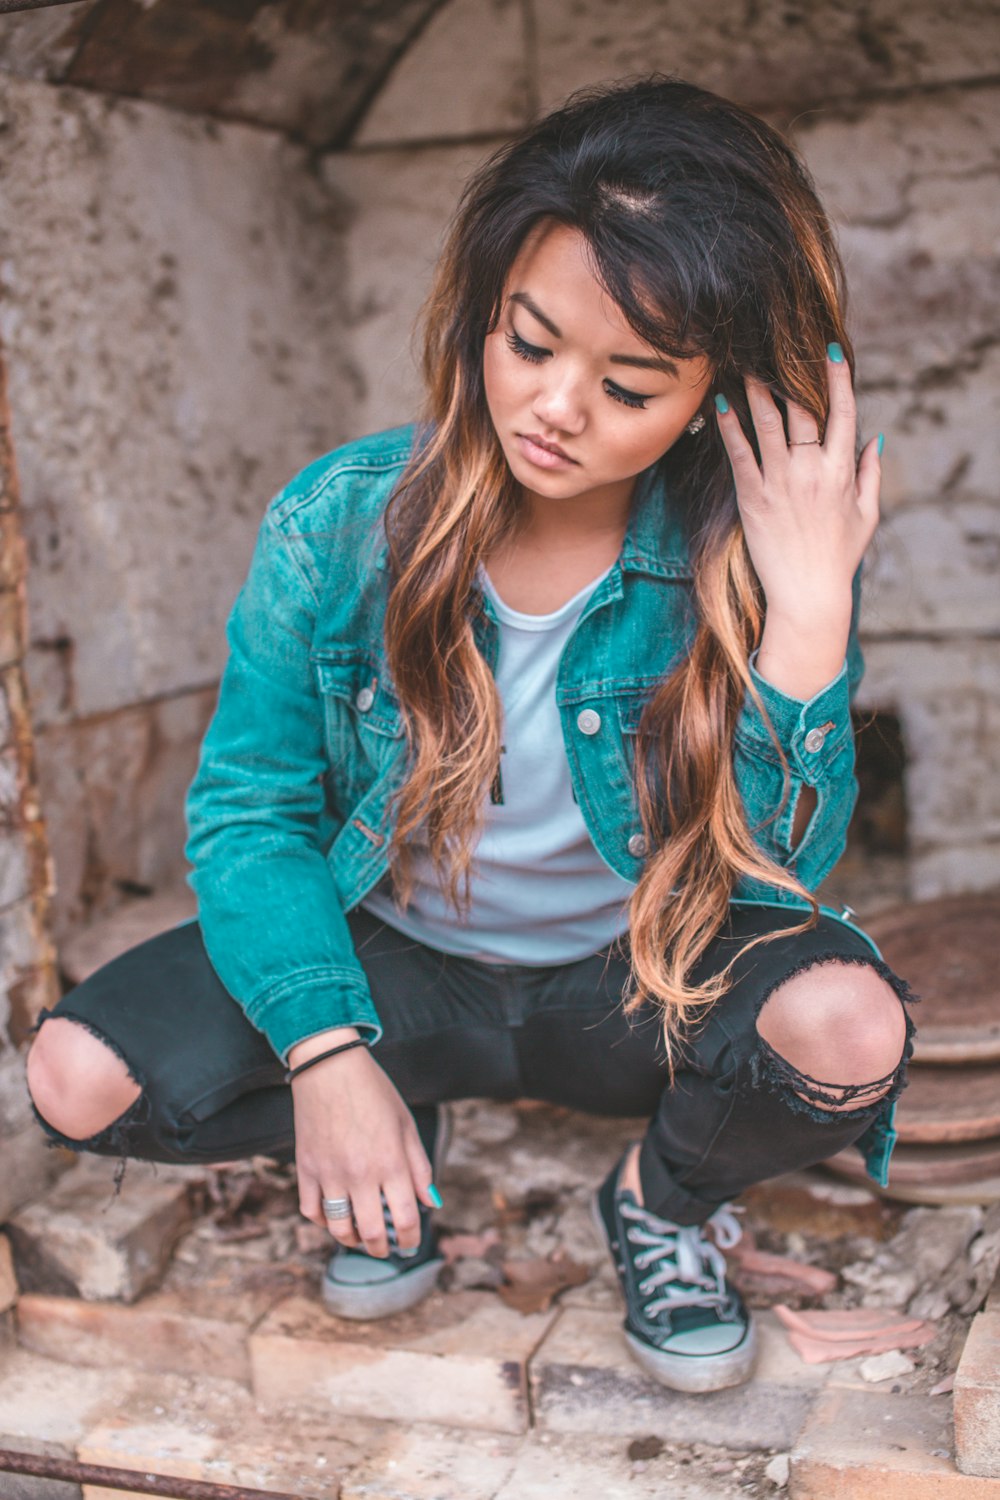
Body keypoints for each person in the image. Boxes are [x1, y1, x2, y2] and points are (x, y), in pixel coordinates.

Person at [25, 76, 915, 1396]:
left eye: (626, 383)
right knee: (71, 1075)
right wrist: (327, 1056)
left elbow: (783, 875)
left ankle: (662, 1201)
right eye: (530, 341)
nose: (557, 406)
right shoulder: (340, 522)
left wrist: (812, 611)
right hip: (405, 978)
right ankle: (393, 1141)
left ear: (712, 397)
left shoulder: (741, 549)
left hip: (633, 990)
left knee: (851, 1026)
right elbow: (250, 806)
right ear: (481, 310)